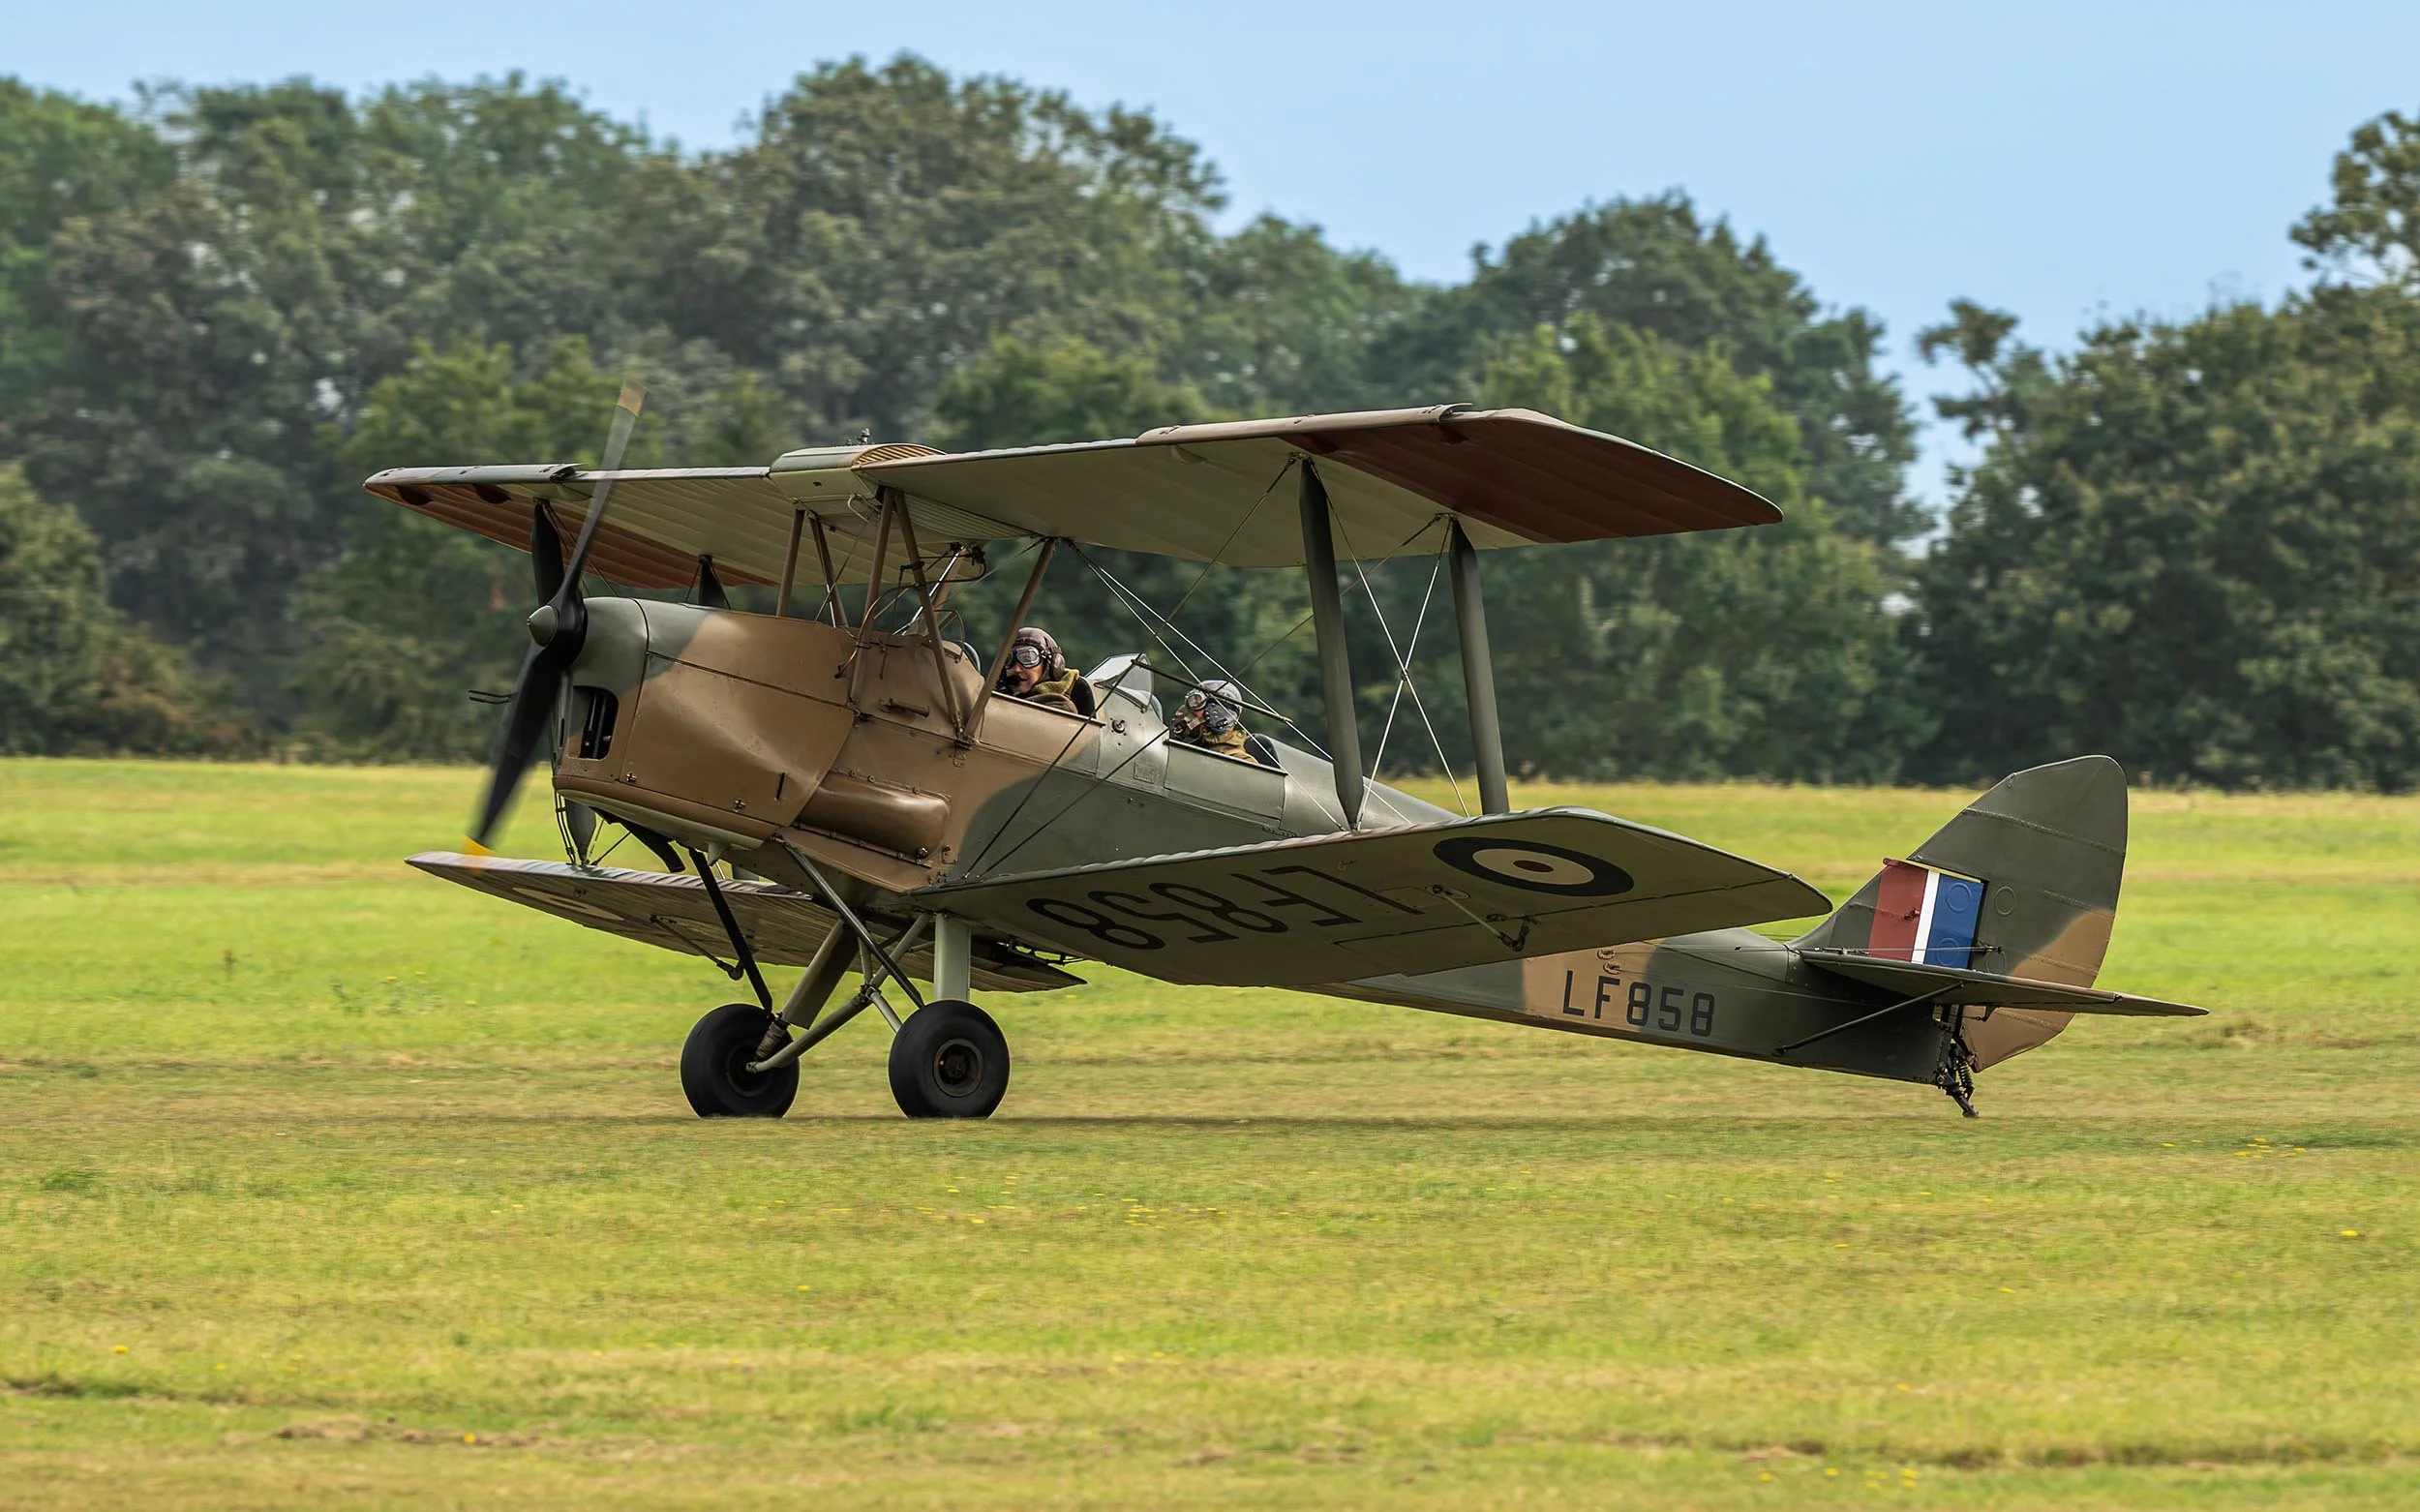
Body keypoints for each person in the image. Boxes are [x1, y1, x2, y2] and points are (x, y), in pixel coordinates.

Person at [995, 626, 1095, 716]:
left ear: (1051, 664)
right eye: (1008, 660)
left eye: (1028, 658)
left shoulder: (1060, 706)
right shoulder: (997, 694)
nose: (1017, 669)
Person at [1170, 679, 1272, 765]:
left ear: (1218, 713)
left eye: (1198, 703)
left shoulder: (1240, 761)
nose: (1188, 711)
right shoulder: (1190, 751)